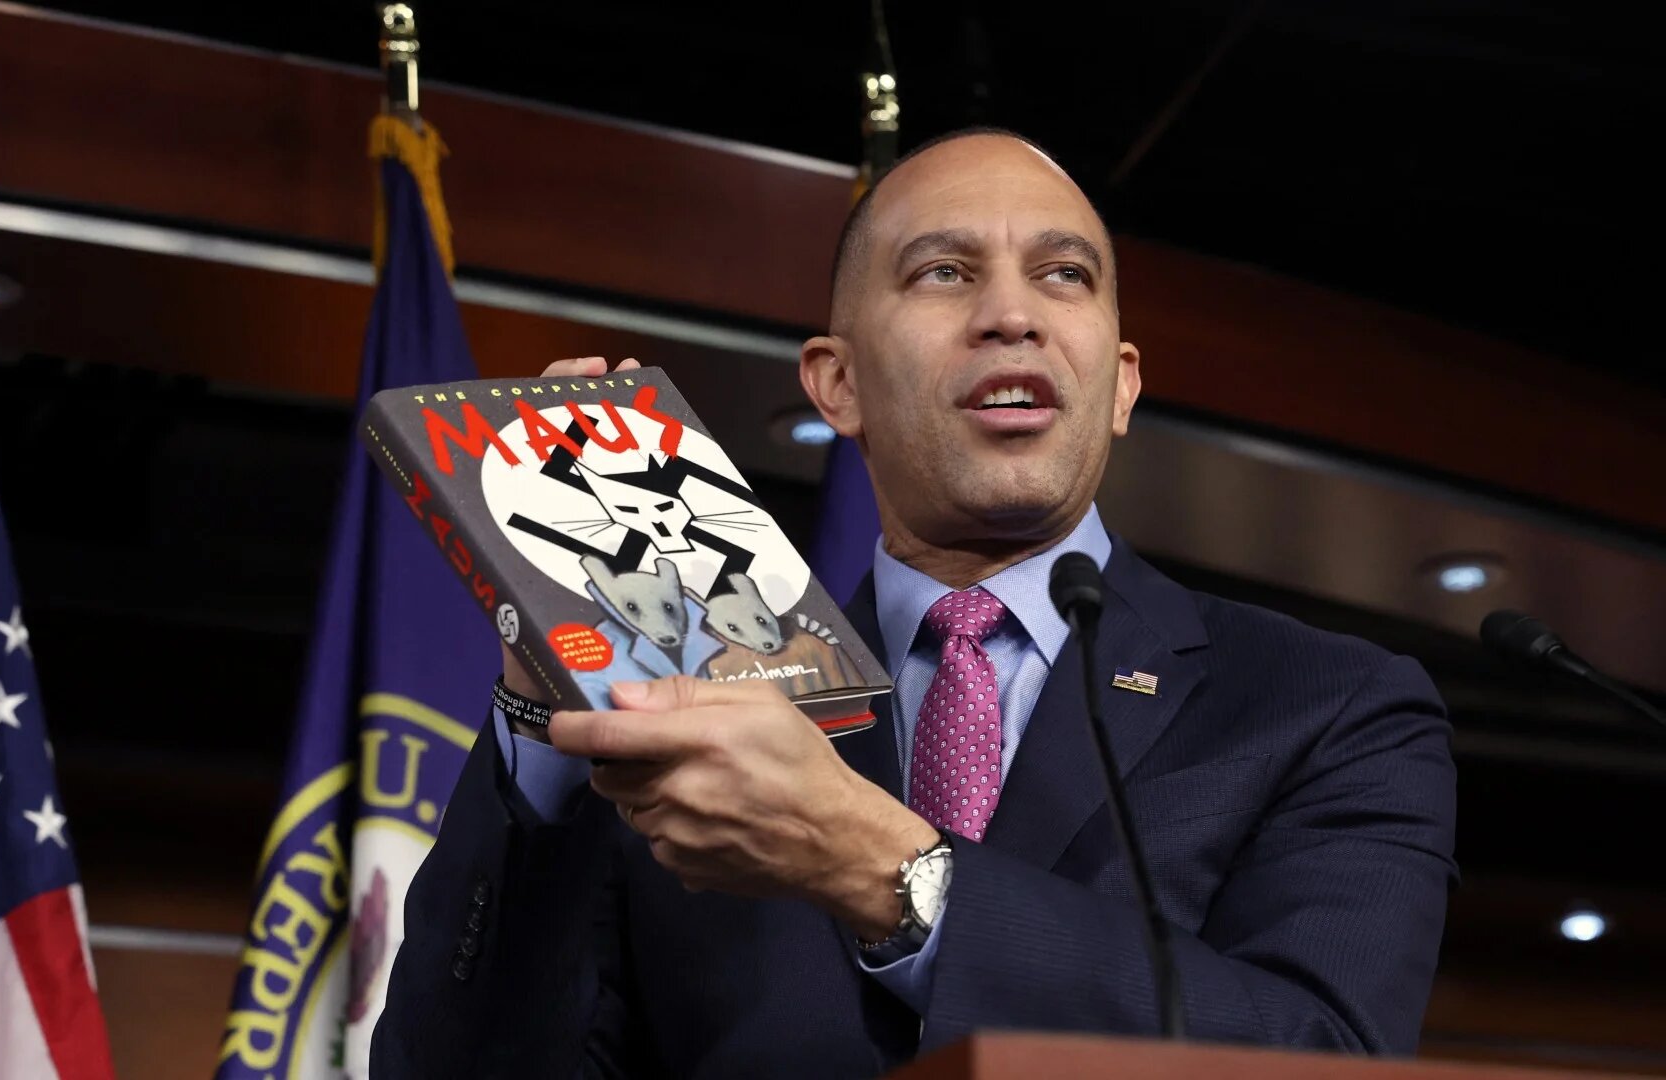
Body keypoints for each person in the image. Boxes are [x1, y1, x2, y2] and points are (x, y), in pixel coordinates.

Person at [371, 128, 1457, 1078]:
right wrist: (548, 716)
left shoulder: (1329, 706)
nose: (1011, 316)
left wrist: (888, 871)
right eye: (942, 272)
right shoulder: (681, 714)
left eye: (1065, 274)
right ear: (835, 382)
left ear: (1121, 383)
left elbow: (1325, 1060)